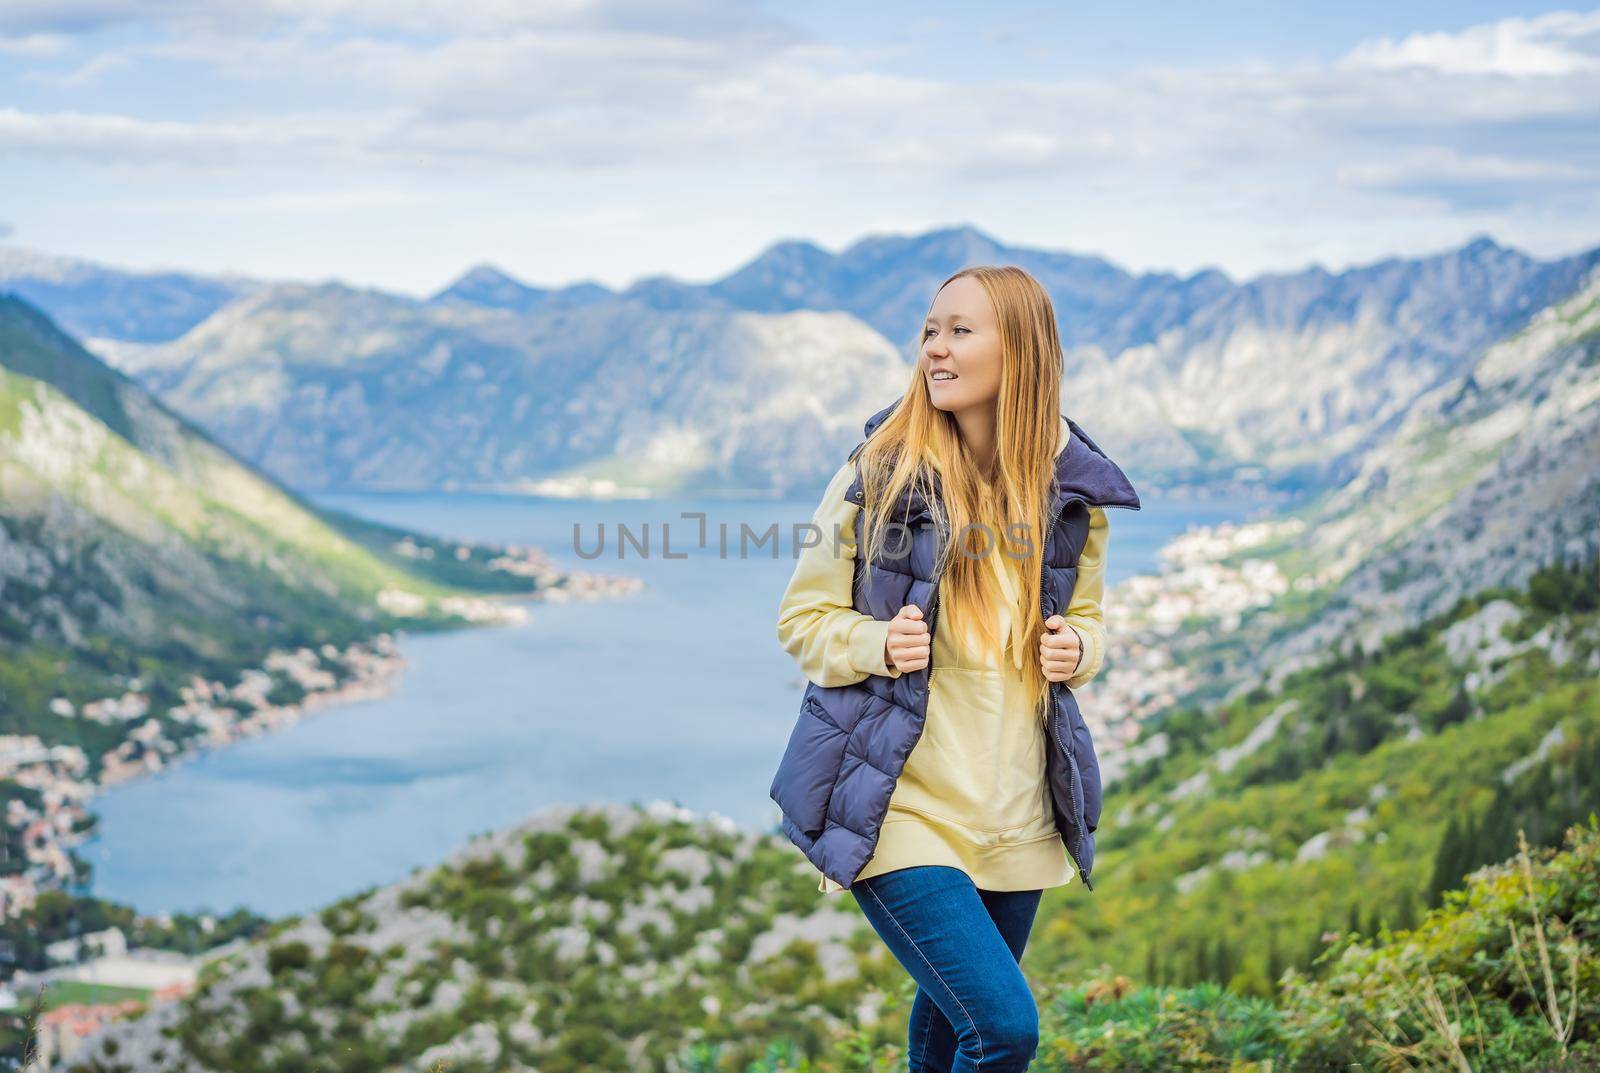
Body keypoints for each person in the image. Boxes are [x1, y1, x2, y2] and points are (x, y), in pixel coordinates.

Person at [773, 264, 1136, 1071]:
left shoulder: (1073, 494)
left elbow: (1089, 626)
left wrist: (1080, 651)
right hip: (898, 806)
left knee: (947, 1039)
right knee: (1004, 1029)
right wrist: (876, 644)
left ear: (1023, 350)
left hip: (1017, 813)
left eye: (960, 330)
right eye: (931, 330)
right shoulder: (878, 473)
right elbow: (801, 620)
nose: (935, 348)